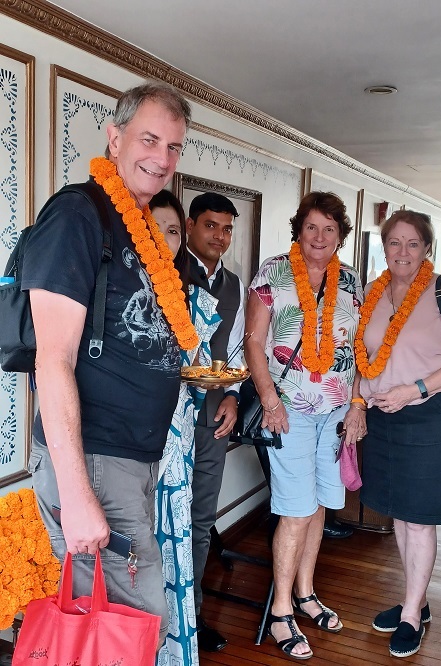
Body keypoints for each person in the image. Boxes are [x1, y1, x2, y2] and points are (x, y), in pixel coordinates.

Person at [22, 81, 195, 650]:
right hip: (93, 458)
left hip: (128, 458)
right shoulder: (78, 214)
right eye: (150, 139)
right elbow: (53, 358)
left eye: (174, 147)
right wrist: (75, 494)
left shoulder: (141, 226)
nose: (163, 159)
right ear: (115, 138)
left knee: (120, 630)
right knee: (130, 626)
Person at [244, 191, 366, 660]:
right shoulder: (273, 272)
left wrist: (357, 405)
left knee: (318, 506)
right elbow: (255, 341)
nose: (319, 237)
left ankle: (307, 593)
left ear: (340, 236)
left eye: (329, 229)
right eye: (311, 227)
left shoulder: (352, 282)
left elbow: (360, 351)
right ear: (299, 229)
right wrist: (270, 401)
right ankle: (280, 611)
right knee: (296, 509)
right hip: (289, 409)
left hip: (336, 412)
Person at [355, 210, 441, 658]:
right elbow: (361, 355)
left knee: (419, 518)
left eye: (412, 243)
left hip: (430, 417)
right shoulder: (374, 292)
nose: (402, 252)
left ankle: (411, 616)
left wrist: (416, 389)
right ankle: (417, 600)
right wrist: (360, 402)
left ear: (426, 248)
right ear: (383, 247)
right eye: (394, 243)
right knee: (401, 515)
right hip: (384, 417)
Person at [150, 189, 221, 666]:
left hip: (175, 445)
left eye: (173, 230)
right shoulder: (109, 291)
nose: (164, 237)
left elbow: (200, 376)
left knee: (172, 553)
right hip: (118, 449)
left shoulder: (194, 302)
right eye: (152, 227)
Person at [186, 192, 245, 652]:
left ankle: (194, 616)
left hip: (211, 423)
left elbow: (237, 350)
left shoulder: (234, 285)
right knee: (150, 517)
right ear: (190, 226)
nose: (219, 237)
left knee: (200, 519)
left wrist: (231, 395)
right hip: (162, 419)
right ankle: (153, 617)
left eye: (226, 229)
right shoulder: (163, 269)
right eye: (211, 226)